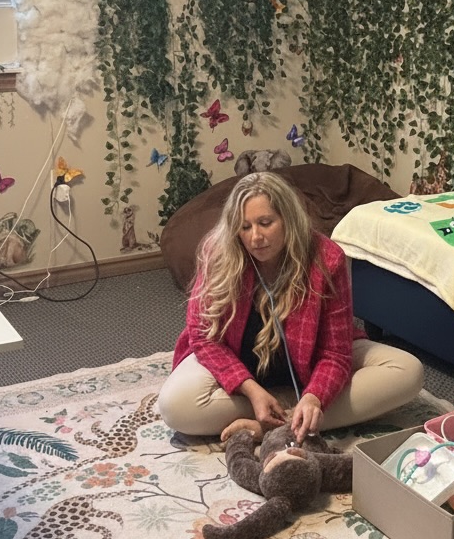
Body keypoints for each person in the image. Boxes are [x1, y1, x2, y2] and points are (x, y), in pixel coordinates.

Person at [158, 171, 425, 441]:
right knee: (175, 406)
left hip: (308, 365)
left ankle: (275, 424)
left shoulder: (327, 258)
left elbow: (335, 353)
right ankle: (292, 415)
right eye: (245, 227)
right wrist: (252, 391)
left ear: (288, 219)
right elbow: (203, 337)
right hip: (239, 367)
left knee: (407, 370)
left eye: (265, 223)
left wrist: (315, 396)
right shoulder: (217, 253)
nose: (255, 237)